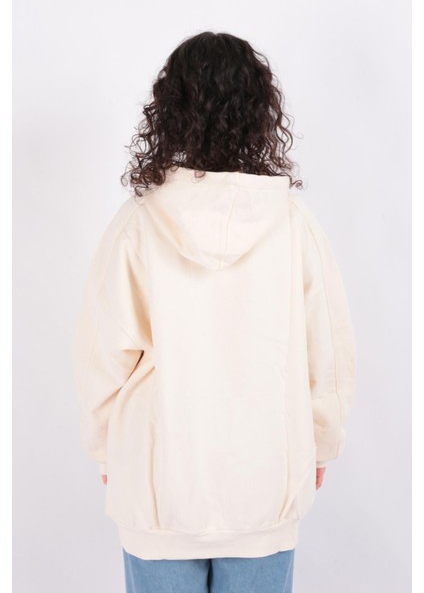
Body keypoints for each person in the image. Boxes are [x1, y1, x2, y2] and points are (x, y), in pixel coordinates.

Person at [71, 31, 357, 593]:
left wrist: (107, 449)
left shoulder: (137, 225)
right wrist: (321, 441)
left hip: (158, 486)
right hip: (265, 485)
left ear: (170, 112)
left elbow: (102, 354)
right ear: (259, 112)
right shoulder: (294, 225)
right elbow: (328, 350)